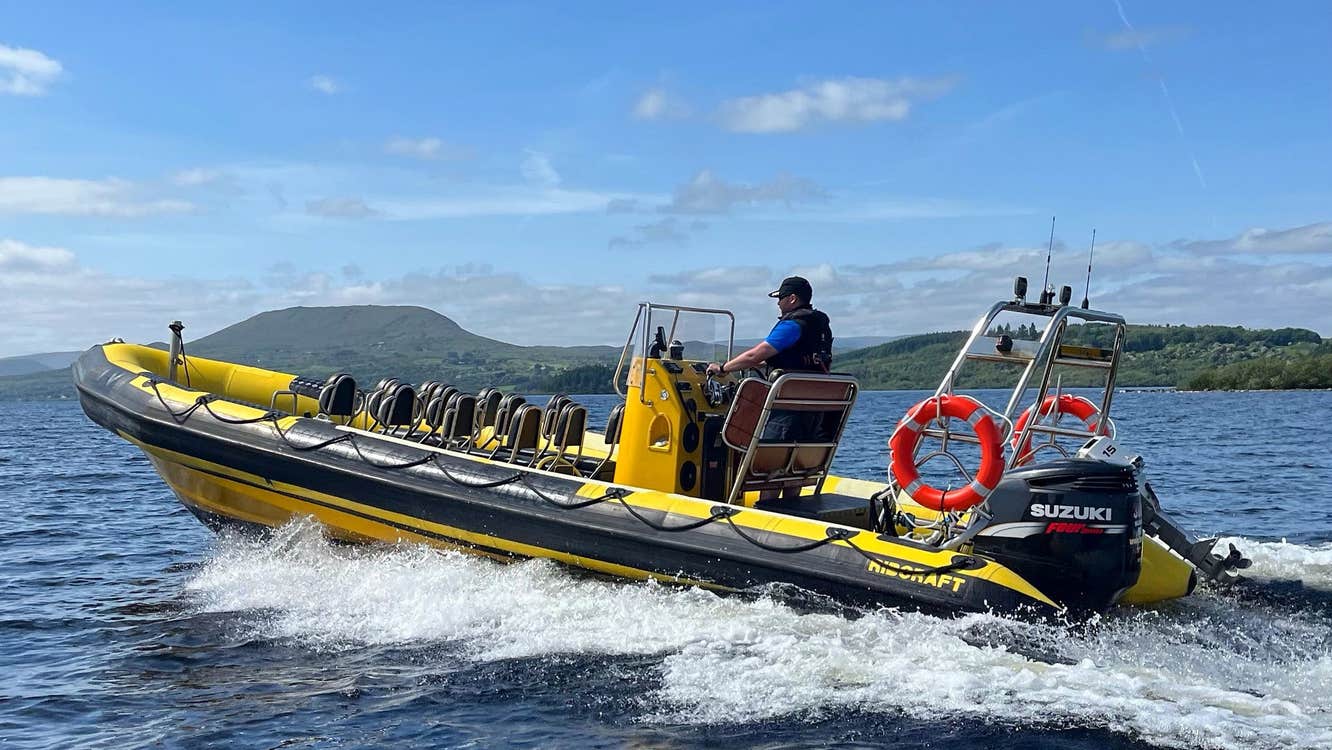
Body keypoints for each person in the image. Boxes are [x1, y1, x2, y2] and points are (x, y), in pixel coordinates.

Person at [706, 275, 833, 379]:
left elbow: (753, 356)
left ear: (792, 299)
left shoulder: (792, 325)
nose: (778, 303)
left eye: (781, 298)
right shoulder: (819, 324)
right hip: (816, 397)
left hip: (786, 399)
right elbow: (796, 358)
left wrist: (722, 368)